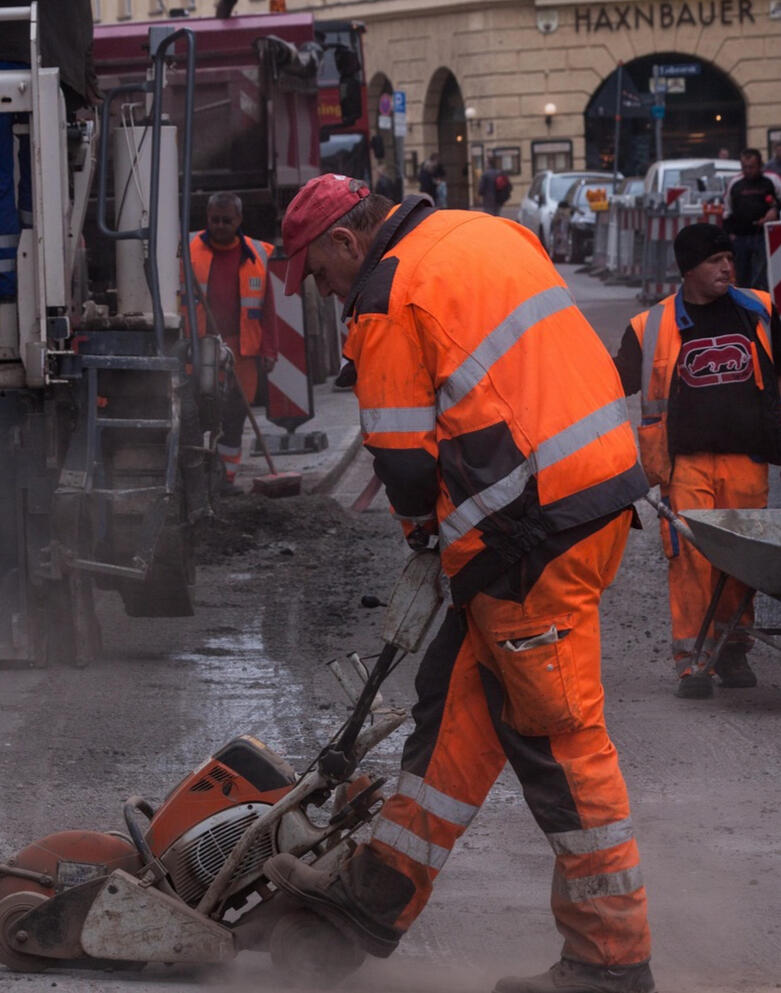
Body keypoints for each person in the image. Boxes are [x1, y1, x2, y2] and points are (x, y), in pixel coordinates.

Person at [263, 173, 655, 993]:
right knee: (455, 710)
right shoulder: (482, 232)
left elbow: (404, 461)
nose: (325, 293)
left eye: (320, 276)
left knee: (556, 740)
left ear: (345, 240)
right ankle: (372, 899)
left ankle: (609, 960)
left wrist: (422, 543)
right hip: (590, 499)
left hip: (526, 535)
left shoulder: (389, 295)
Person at [614, 223, 781, 699]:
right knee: (690, 559)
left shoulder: (760, 310)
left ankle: (733, 649)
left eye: (729, 258)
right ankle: (694, 659)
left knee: (742, 562)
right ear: (688, 270)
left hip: (746, 460)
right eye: (714, 261)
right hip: (683, 463)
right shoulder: (651, 327)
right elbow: (609, 385)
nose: (727, 266)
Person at [0, 0, 97, 298]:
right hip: (55, 60)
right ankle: (41, 276)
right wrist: (86, 75)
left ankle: (7, 279)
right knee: (44, 179)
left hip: (16, 54)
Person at [187, 192, 277, 491]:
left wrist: (268, 349)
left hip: (242, 350)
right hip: (200, 347)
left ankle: (226, 477)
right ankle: (201, 476)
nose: (220, 226)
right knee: (200, 411)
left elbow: (267, 308)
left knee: (235, 414)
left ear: (239, 220)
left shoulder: (257, 254)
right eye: (215, 220)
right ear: (207, 218)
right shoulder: (188, 249)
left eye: (227, 220)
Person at [723, 148, 780, 290]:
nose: (748, 171)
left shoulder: (772, 180)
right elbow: (727, 209)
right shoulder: (735, 183)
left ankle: (764, 305)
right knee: (742, 277)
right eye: (744, 167)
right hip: (741, 237)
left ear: (760, 165)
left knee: (762, 276)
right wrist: (730, 234)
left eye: (751, 167)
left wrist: (774, 210)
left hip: (764, 236)